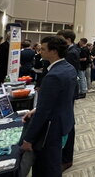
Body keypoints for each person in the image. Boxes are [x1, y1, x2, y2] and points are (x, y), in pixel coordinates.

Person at [21, 36, 77, 177]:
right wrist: (36, 109)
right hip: (64, 120)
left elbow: (44, 112)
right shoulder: (69, 68)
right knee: (53, 161)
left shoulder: (54, 75)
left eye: (43, 49)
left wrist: (28, 139)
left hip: (51, 127)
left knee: (46, 166)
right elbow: (61, 98)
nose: (40, 52)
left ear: (54, 51)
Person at [56, 29, 79, 171]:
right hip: (65, 93)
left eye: (60, 39)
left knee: (68, 123)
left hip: (66, 94)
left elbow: (70, 75)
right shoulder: (70, 51)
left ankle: (66, 159)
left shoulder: (71, 53)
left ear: (68, 39)